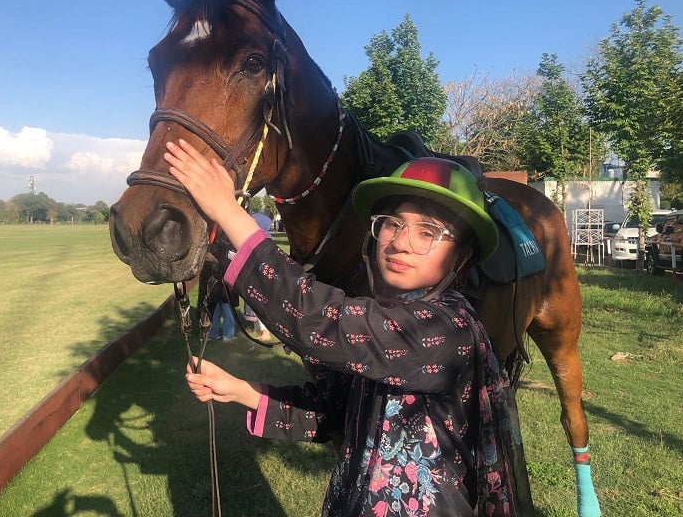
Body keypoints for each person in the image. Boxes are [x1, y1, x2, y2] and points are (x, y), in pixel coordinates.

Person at [165, 139, 524, 516]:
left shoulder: (448, 330)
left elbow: (324, 322)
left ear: (462, 256)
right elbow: (331, 412)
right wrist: (241, 391)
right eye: (392, 224)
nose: (400, 242)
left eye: (427, 232)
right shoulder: (386, 318)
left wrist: (227, 211)